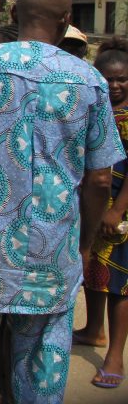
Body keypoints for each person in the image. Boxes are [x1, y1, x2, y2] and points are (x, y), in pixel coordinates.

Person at [0, 0, 125, 404]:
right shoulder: (88, 79)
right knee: (42, 364)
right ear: (66, 20)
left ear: (12, 14)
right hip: (54, 248)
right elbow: (100, 179)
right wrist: (83, 245)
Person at [75, 37, 128, 389]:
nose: (115, 85)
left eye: (122, 79)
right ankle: (93, 330)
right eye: (108, 79)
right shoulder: (97, 110)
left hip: (119, 210)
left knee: (120, 285)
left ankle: (115, 356)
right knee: (94, 273)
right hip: (94, 205)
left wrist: (118, 209)